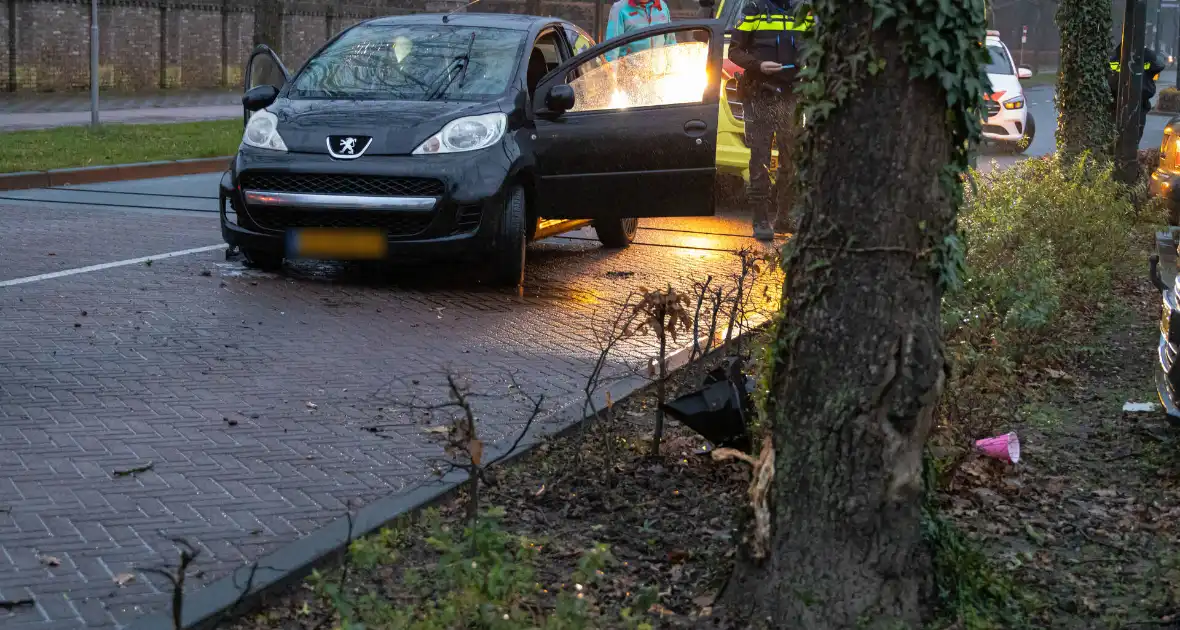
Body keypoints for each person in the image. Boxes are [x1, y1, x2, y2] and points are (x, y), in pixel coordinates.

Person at [728, 0, 812, 241]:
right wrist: (759, 65)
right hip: (760, 94)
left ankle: (784, 217)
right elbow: (734, 50)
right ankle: (761, 219)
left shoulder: (801, 10)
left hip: (791, 94)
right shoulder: (754, 7)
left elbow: (813, 48)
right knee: (760, 159)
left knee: (791, 158)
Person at [1109, 41, 1165, 144]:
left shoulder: (1142, 59)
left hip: (1130, 104)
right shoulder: (1144, 58)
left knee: (1123, 139)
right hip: (1124, 104)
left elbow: (1159, 65)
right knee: (1129, 139)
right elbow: (1159, 65)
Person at [603, 0, 676, 62]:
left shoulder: (662, 6)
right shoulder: (619, 9)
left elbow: (670, 43)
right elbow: (611, 50)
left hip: (659, 74)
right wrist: (611, 75)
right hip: (630, 74)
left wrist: (672, 69)